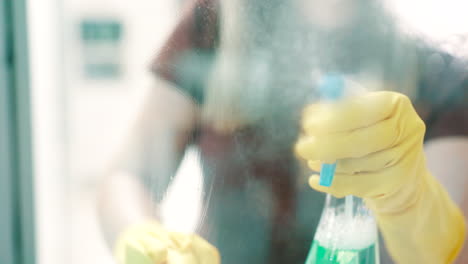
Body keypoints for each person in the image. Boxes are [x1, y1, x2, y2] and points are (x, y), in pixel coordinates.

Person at [98, 0, 468, 263]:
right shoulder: (215, 25)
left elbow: (447, 252)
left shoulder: (438, 70)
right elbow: (130, 174)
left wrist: (405, 194)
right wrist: (141, 236)